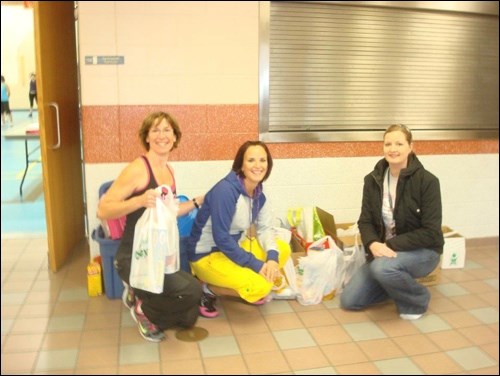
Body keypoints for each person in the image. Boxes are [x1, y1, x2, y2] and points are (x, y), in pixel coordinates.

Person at [97, 111, 203, 342]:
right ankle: (143, 310)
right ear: (146, 137)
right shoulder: (138, 169)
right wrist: (137, 200)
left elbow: (170, 209)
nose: (162, 135)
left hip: (159, 255)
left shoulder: (170, 171)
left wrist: (198, 201)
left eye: (167, 130)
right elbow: (103, 210)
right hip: (134, 257)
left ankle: (139, 295)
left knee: (189, 313)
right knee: (189, 293)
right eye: (155, 130)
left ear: (175, 137)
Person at [340, 124, 443, 320]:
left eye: (399, 143)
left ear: (411, 147)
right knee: (350, 300)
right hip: (383, 252)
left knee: (382, 268)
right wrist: (373, 243)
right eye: (388, 144)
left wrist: (388, 245)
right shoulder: (373, 180)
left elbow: (431, 232)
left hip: (423, 251)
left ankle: (417, 301)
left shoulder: (428, 182)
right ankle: (393, 281)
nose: (392, 149)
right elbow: (365, 221)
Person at [187, 140, 292, 318]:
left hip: (232, 251)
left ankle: (250, 285)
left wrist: (272, 260)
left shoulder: (259, 194)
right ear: (241, 165)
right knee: (262, 286)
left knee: (282, 249)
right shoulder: (226, 191)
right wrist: (257, 265)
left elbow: (265, 229)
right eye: (251, 160)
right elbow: (221, 238)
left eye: (262, 160)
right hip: (207, 256)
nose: (258, 165)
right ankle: (207, 289)